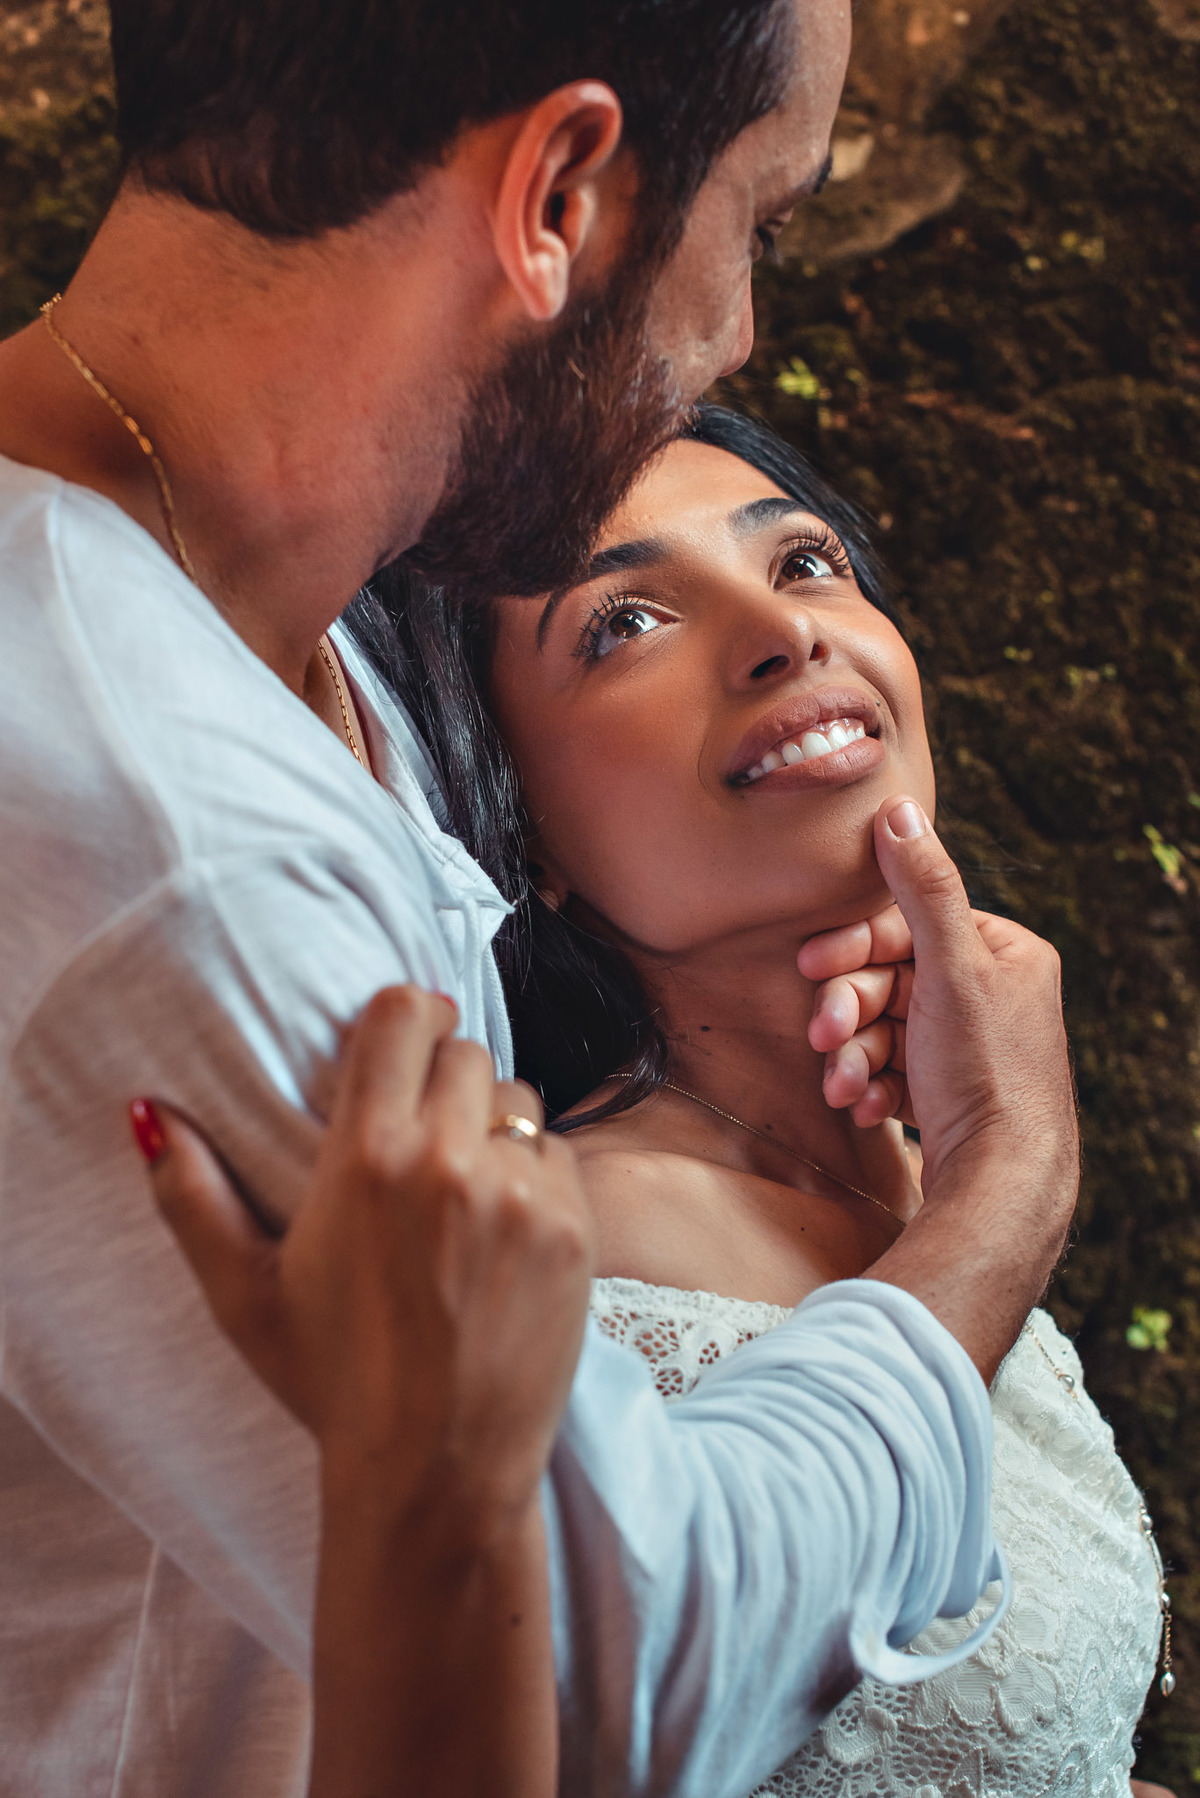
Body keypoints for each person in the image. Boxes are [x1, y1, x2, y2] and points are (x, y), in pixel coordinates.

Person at [0, 1, 1078, 1793]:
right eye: (764, 223)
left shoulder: (284, 618)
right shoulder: (155, 829)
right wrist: (1002, 1196)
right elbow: (600, 1670)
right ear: (560, 192)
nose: (740, 331)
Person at [151, 408, 1156, 1795]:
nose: (780, 630)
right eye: (624, 621)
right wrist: (1021, 1173)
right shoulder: (550, 1250)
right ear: (517, 826)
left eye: (804, 563)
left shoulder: (920, 1176)